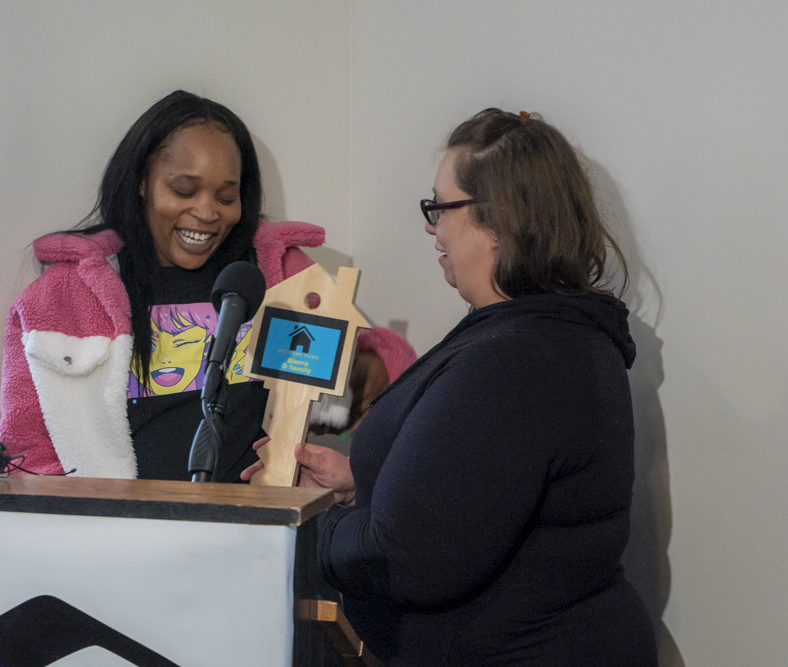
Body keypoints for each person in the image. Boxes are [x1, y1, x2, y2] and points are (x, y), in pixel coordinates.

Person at [244, 109, 658, 665]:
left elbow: (410, 558)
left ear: (500, 218)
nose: (429, 226)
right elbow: (475, 498)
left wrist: (304, 517)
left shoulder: (519, 358)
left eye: (440, 207)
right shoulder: (538, 333)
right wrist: (360, 486)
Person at [0, 90, 412, 483]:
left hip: (257, 539)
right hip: (115, 542)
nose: (207, 212)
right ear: (142, 181)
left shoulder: (276, 274)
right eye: (184, 189)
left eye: (227, 197)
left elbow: (360, 396)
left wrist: (362, 380)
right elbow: (27, 456)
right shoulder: (63, 298)